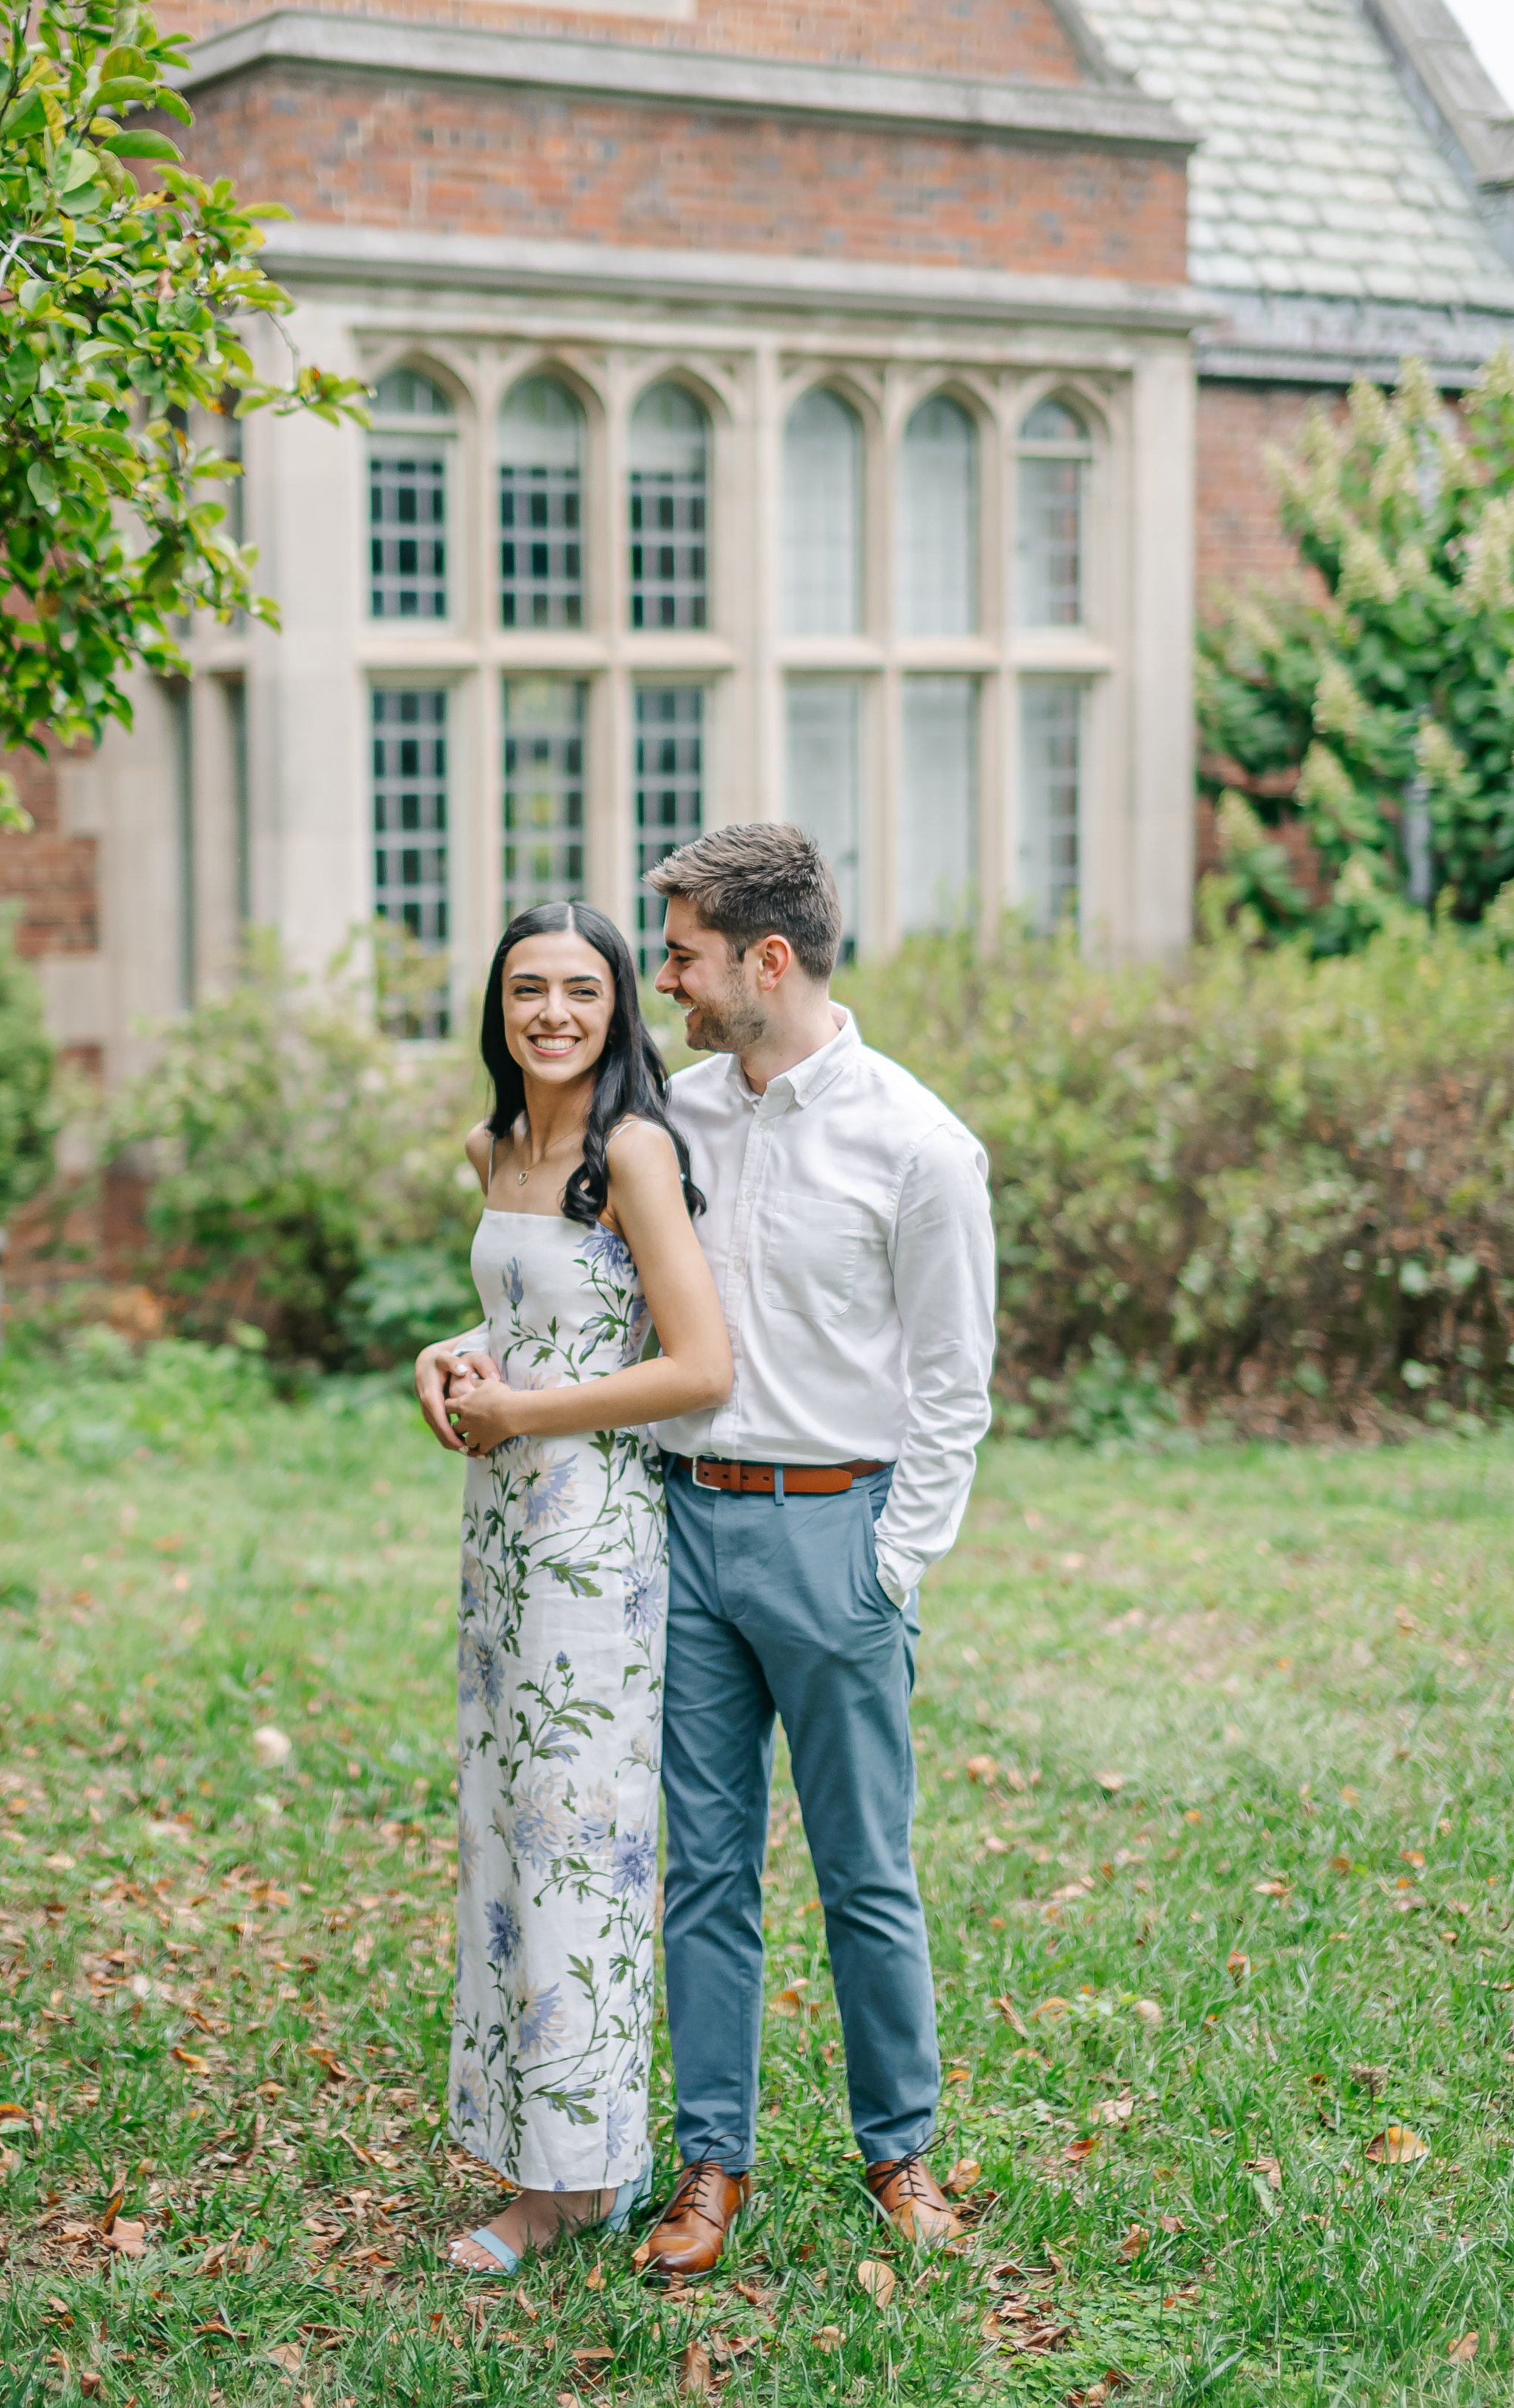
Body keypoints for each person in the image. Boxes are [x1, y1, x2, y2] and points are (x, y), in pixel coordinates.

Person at [627, 821, 997, 2276]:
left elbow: (952, 1382)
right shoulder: (671, 1122)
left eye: (684, 954)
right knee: (704, 1872)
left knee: (864, 1870)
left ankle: (897, 2156)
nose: (667, 979)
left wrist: (887, 1565)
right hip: (688, 1537)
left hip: (837, 1534)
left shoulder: (918, 1144)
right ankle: (709, 2166)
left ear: (764, 961)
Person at [414, 899, 732, 2277]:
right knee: (504, 1839)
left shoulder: (633, 1154)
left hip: (592, 1540)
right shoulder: (496, 1147)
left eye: (582, 992)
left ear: (617, 1013)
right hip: (500, 1533)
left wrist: (527, 1413)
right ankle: (535, 2147)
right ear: (498, 1005)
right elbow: (534, 1318)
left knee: (574, 1849)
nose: (552, 1012)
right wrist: (450, 1356)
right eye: (527, 988)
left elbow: (699, 1368)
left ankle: (579, 2181)